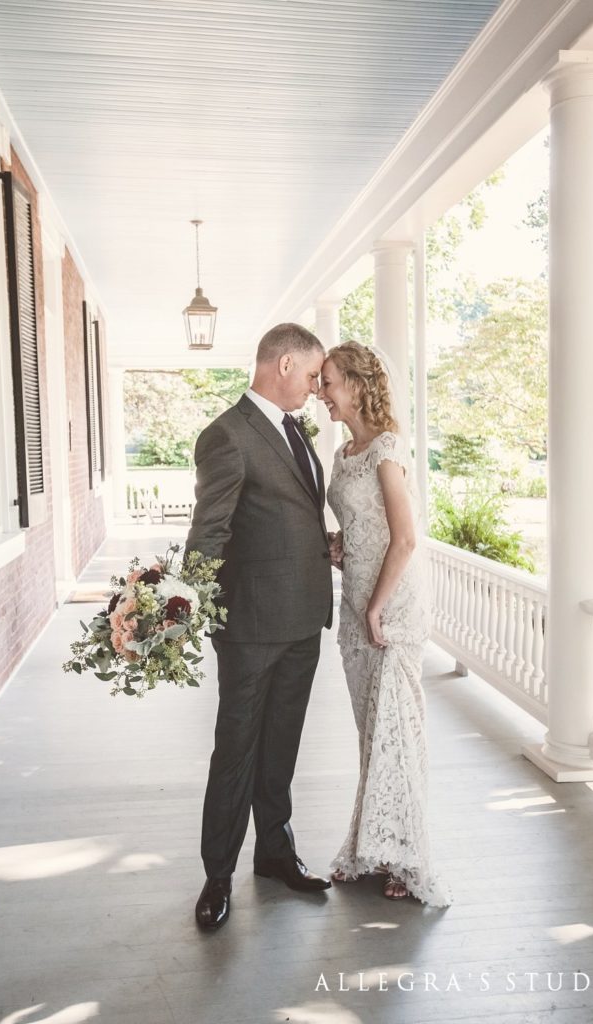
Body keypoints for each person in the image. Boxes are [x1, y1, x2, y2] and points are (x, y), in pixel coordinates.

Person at [186, 322, 334, 931]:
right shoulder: (227, 435)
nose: (317, 387)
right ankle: (217, 875)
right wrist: (185, 604)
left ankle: (274, 852)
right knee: (236, 751)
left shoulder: (293, 430)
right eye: (313, 374)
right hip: (250, 626)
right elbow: (210, 530)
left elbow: (285, 515)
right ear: (285, 363)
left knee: (282, 746)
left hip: (303, 620)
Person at [318, 340, 452, 906]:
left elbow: (405, 538)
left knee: (398, 732)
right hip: (355, 602)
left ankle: (408, 856)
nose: (320, 393)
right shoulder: (344, 451)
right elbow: (364, 524)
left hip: (390, 609)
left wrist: (375, 606)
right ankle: (371, 845)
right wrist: (340, 546)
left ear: (355, 384)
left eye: (327, 382)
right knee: (372, 733)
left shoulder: (387, 450)